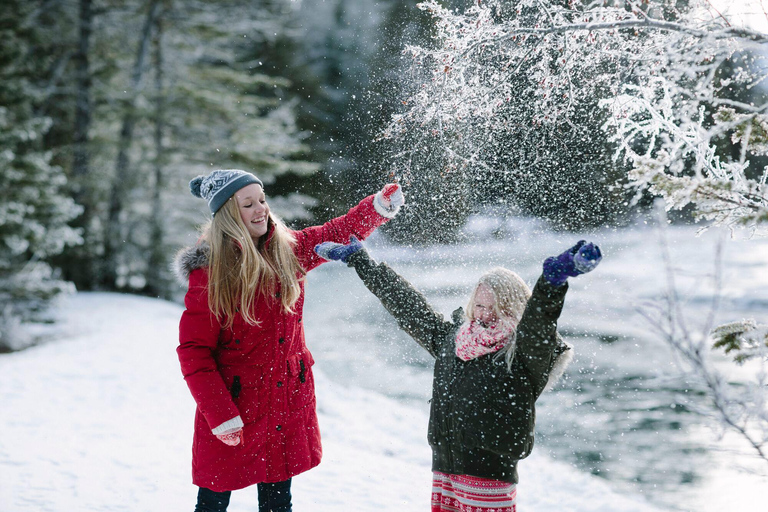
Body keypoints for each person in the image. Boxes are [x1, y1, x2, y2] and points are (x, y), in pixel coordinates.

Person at [173, 169, 404, 512]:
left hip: (284, 397)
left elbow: (336, 231)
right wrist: (221, 414)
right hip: (235, 405)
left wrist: (377, 207)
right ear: (228, 215)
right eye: (247, 203)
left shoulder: (287, 250)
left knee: (279, 500)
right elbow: (194, 352)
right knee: (213, 499)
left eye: (262, 200)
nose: (260, 209)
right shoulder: (212, 272)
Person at [314, 237, 602, 512]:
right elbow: (409, 308)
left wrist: (551, 283)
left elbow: (539, 322)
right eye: (479, 305)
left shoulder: (524, 352)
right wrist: (362, 262)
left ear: (513, 307)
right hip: (445, 470)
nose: (485, 314)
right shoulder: (454, 340)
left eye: (495, 308)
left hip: (489, 479)